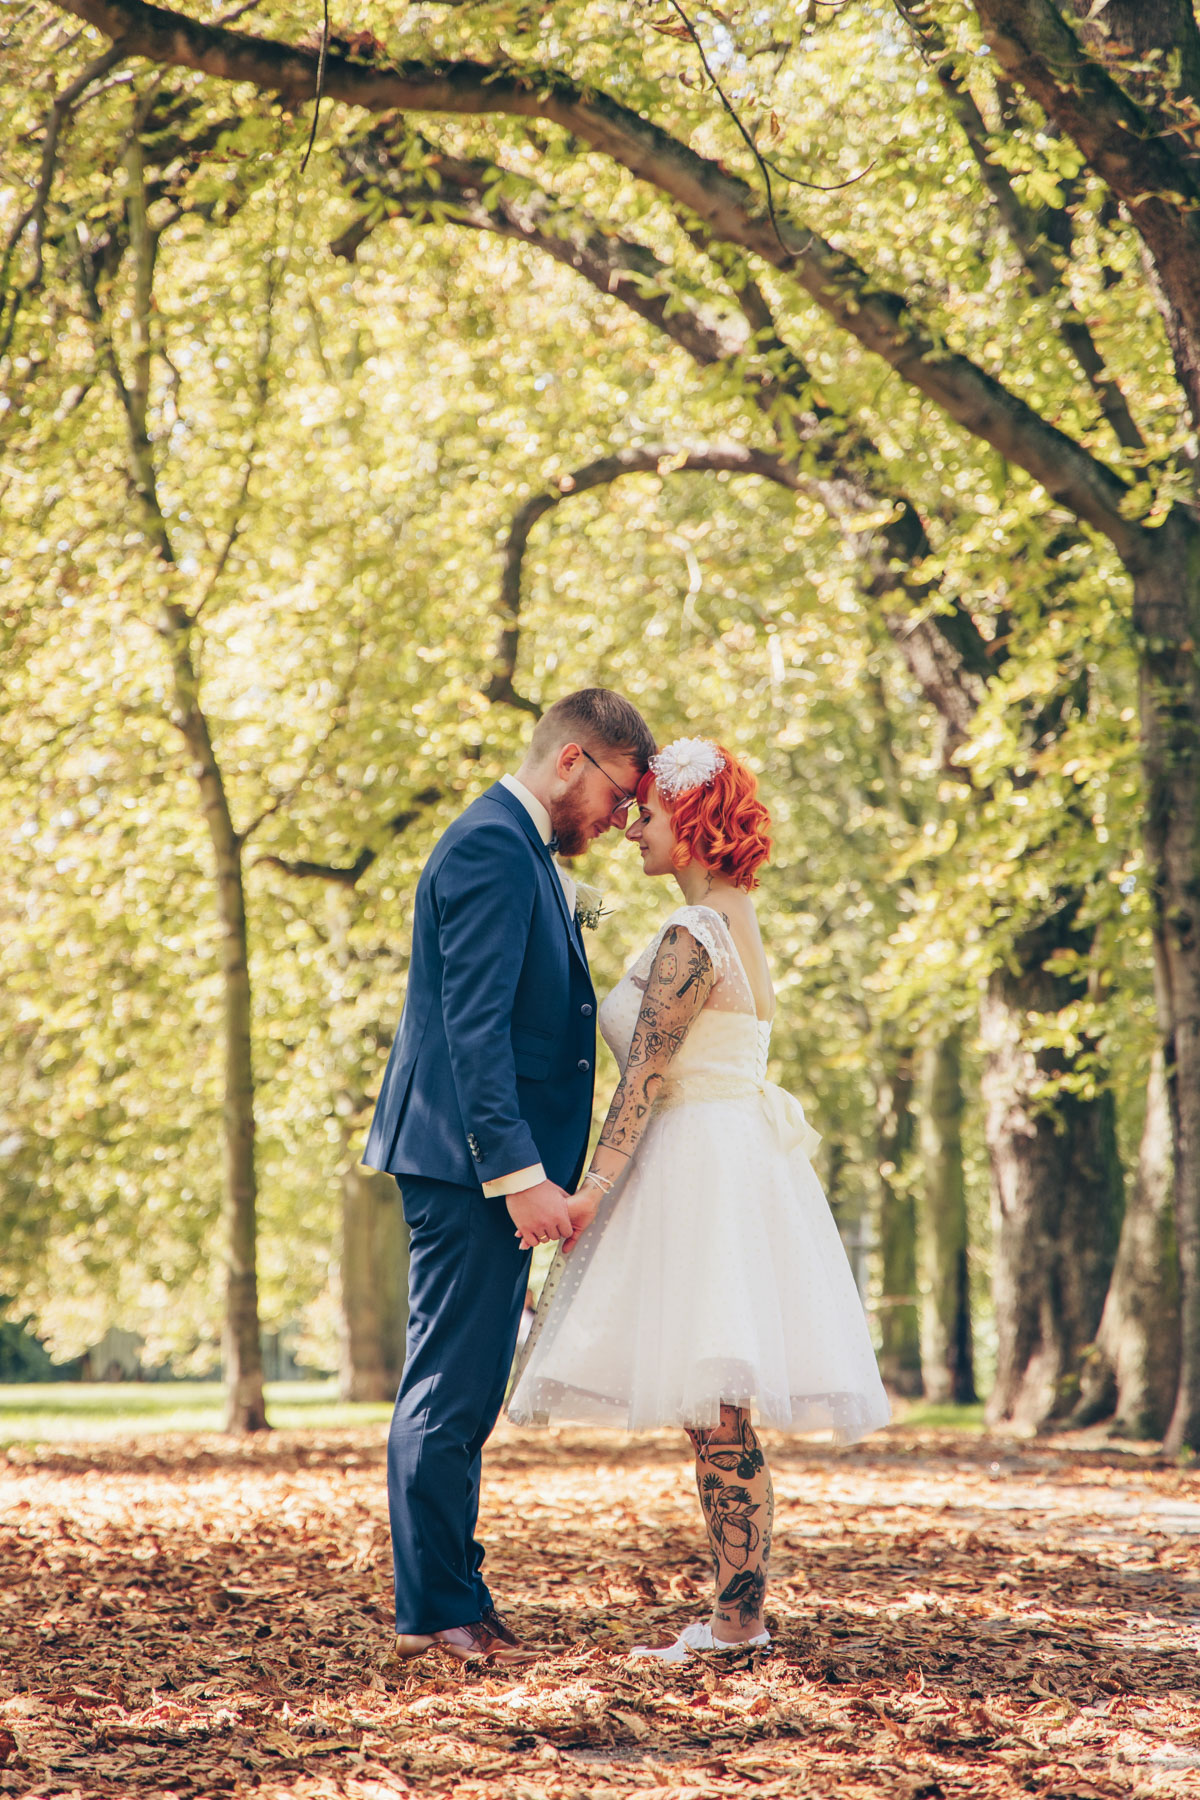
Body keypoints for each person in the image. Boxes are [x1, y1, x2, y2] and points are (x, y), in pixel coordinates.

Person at [508, 737, 891, 1662]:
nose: (634, 824)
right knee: (714, 1405)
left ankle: (737, 1622)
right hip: (733, 1160)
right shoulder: (737, 924)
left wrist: (586, 1201)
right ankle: (736, 1614)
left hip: (695, 1169)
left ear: (698, 821)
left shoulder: (692, 939)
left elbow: (641, 1081)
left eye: (652, 810)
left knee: (717, 1409)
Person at [362, 689, 656, 1665]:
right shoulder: (492, 845)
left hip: (475, 1163)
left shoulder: (521, 849)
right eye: (619, 795)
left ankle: (457, 1592)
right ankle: (433, 1611)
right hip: (465, 1164)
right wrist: (521, 1176)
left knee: (473, 1381)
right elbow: (473, 1028)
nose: (620, 822)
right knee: (450, 1385)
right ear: (572, 760)